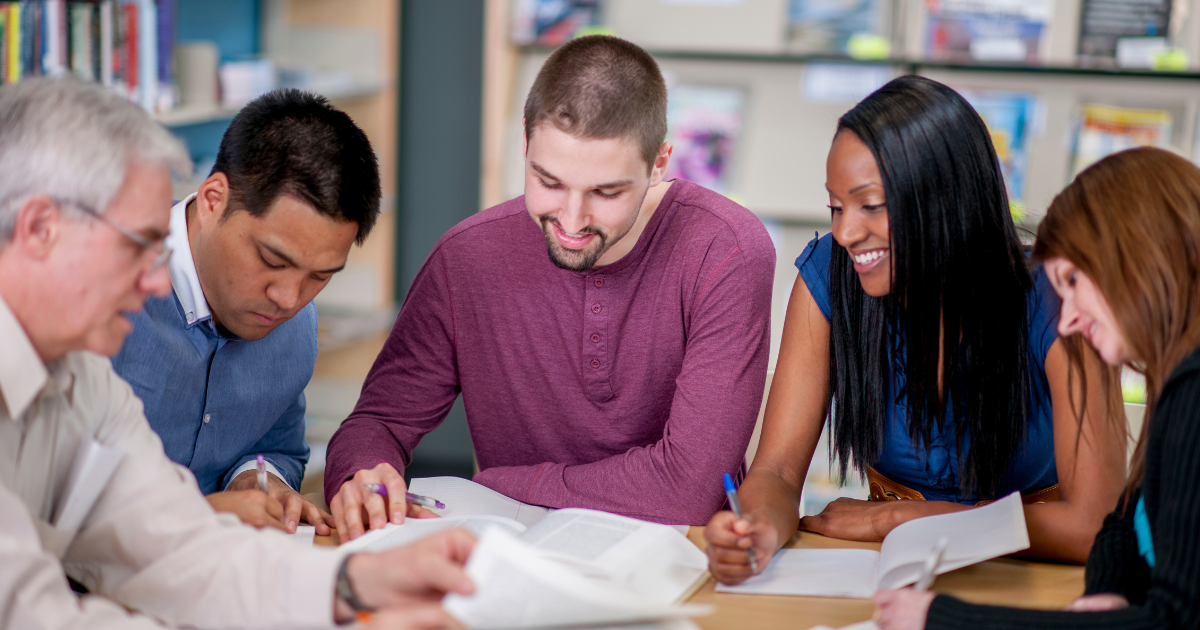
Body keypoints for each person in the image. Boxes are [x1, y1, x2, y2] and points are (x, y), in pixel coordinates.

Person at [0, 77, 474, 630]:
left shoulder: (79, 377)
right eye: (139, 246)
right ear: (39, 229)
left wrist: (352, 587)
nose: (159, 282)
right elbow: (33, 614)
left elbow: (177, 546)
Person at [324, 34, 775, 538]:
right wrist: (362, 473)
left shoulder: (727, 250)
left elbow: (690, 490)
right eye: (549, 181)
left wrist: (507, 484)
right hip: (515, 559)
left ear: (659, 163)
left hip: (675, 561)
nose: (572, 220)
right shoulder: (467, 256)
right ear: (525, 139)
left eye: (606, 192)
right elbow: (376, 423)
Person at [704, 76, 1127, 582]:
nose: (845, 233)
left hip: (1033, 579)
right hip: (883, 576)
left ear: (947, 199)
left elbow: (1093, 527)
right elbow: (777, 472)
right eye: (836, 207)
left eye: (870, 205)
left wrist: (900, 517)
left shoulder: (1061, 298)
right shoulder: (830, 277)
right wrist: (756, 529)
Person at [875, 146, 1200, 629]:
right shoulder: (1174, 377)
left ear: (1141, 258)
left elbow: (1174, 622)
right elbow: (1124, 523)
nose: (1066, 318)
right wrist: (1107, 592)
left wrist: (942, 620)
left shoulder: (1192, 395)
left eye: (1072, 280)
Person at [110, 89, 387, 536]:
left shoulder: (296, 326)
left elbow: (275, 448)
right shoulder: (101, 294)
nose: (288, 298)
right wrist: (201, 515)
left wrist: (259, 480)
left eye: (320, 275)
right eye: (273, 261)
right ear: (215, 198)